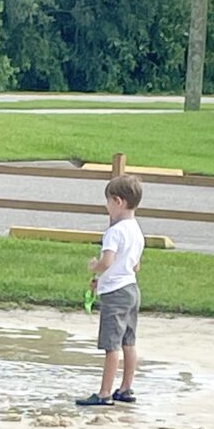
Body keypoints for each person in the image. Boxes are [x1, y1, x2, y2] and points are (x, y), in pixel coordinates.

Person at [76, 174, 145, 407]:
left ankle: (104, 392)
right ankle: (126, 388)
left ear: (118, 201)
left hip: (115, 294)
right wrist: (103, 279)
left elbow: (108, 261)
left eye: (107, 202)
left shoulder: (114, 232)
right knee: (129, 341)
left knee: (111, 344)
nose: (107, 208)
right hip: (131, 289)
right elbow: (135, 264)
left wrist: (95, 267)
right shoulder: (137, 230)